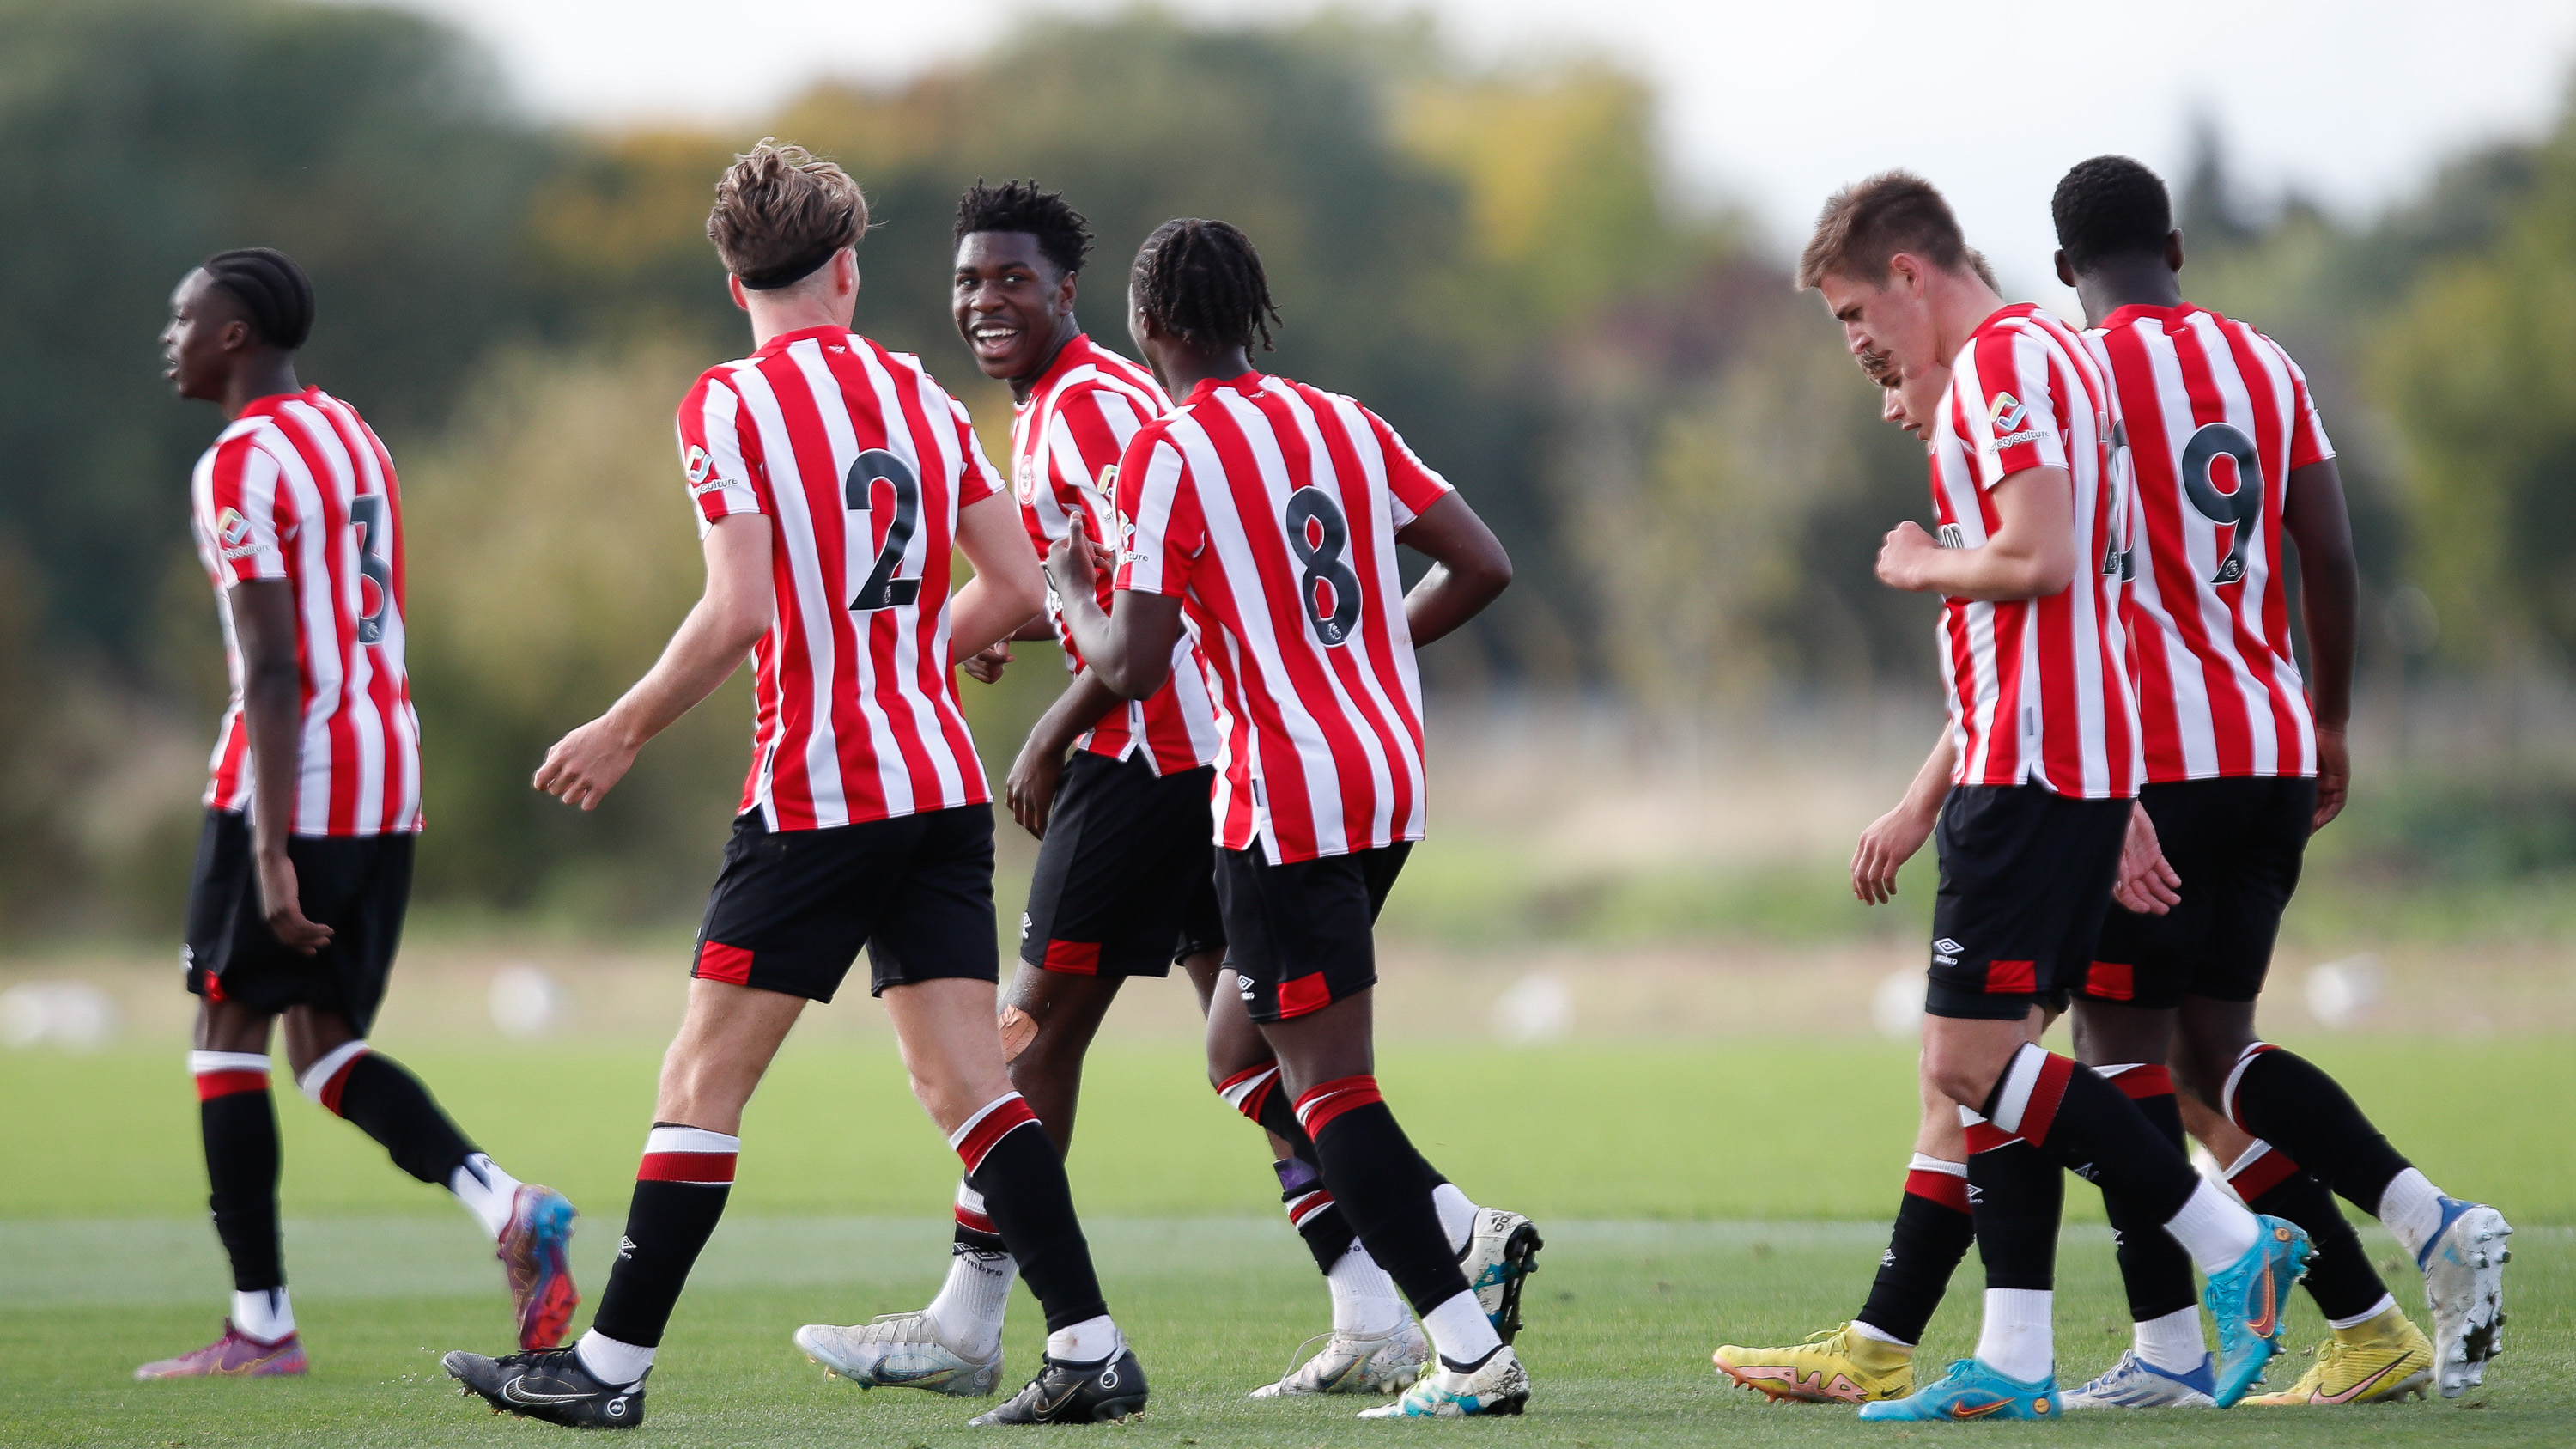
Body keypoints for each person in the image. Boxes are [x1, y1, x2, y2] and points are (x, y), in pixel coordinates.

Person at [438, 141, 1145, 1430]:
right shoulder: (921, 396)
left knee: (699, 1083)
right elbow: (1025, 582)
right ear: (848, 269)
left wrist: (622, 725)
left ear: (730, 279)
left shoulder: (726, 402)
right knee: (967, 1088)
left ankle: (605, 1373)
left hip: (819, 795)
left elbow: (737, 610)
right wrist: (919, 648)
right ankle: (1092, 1346)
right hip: (935, 786)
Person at [798, 179, 1429, 1402]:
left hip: (1152, 756)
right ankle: (1386, 1288)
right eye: (968, 281)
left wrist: (1050, 723)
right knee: (1253, 1058)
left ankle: (971, 1319)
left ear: (1069, 292)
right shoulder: (1071, 408)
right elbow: (1111, 585)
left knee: (1027, 1030)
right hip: (1207, 755)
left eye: (1011, 280)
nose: (985, 301)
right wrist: (1027, 628)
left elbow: (1152, 617)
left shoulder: (1088, 410)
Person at [1797, 172, 2311, 1423]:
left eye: (1858, 315)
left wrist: (1924, 565)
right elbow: (2109, 582)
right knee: (2004, 1065)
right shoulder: (2062, 355)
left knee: (1967, 1065)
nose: (1860, 347)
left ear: (1911, 274)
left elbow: (2043, 556)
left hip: (2029, 769)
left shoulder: (2005, 369)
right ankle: (2016, 1358)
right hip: (2067, 762)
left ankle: (2236, 1245)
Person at [1048, 217, 1531, 1419]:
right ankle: (1460, 1226)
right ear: (1250, 313)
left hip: (1286, 798)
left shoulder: (1167, 453)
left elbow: (1141, 661)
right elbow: (1482, 563)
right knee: (1236, 1053)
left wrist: (1070, 587)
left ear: (1145, 323)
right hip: (1387, 777)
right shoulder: (1344, 419)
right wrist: (1365, 647)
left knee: (1329, 1091)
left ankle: (1469, 1352)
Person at [2050, 154, 2510, 1407]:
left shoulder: (2077, 372)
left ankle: (2168, 1354)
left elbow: (2068, 576)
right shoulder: (2265, 362)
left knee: (2118, 1054)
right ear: (2180, 248)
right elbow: (2334, 552)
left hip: (2154, 761)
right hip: (2272, 741)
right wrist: (2337, 717)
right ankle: (2414, 1242)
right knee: (2215, 1051)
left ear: (2060, 270)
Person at [140, 248, 579, 1380]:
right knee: (325, 1046)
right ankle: (507, 1206)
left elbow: (276, 667)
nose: (171, 333)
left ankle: (261, 1327)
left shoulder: (237, 465)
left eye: (186, 317)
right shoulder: (351, 432)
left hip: (294, 779)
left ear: (235, 335)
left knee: (225, 1038)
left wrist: (272, 847)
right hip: (389, 767)